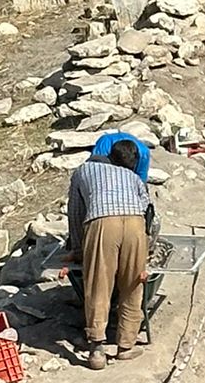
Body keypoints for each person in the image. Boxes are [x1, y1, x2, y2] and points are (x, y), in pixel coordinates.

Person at [64, 136, 152, 370]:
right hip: (135, 224)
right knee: (133, 284)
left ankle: (96, 350)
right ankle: (126, 346)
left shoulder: (83, 170)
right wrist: (147, 245)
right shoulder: (133, 177)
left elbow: (75, 212)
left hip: (102, 223)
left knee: (98, 284)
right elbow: (147, 209)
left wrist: (77, 248)